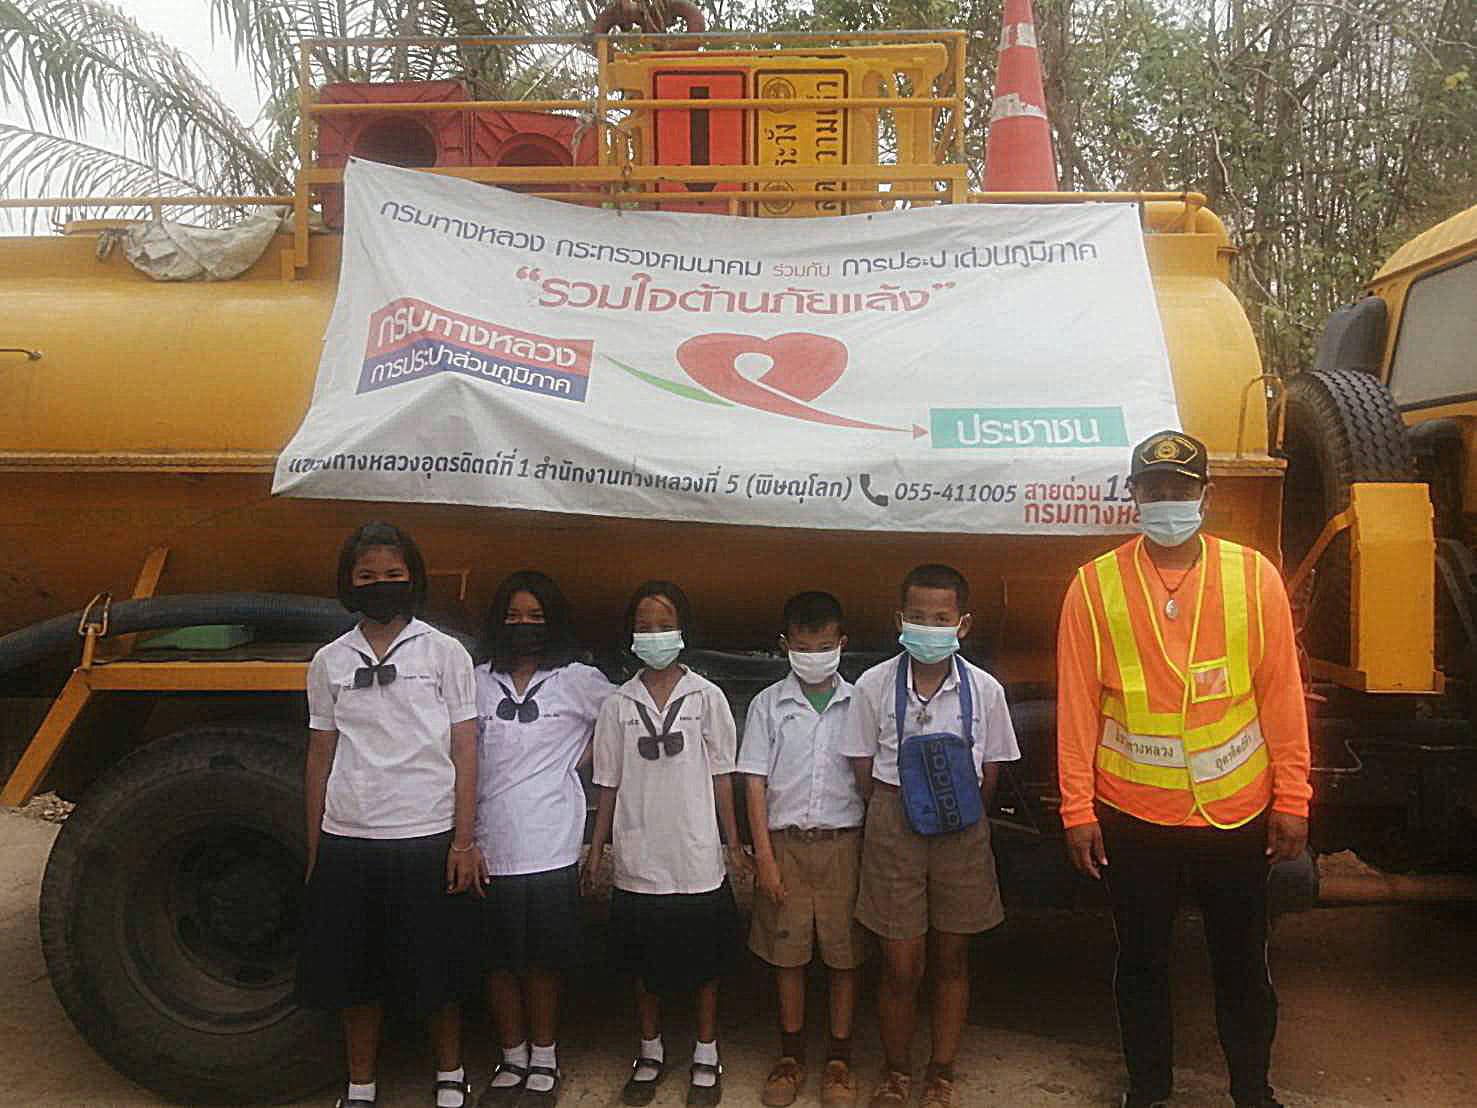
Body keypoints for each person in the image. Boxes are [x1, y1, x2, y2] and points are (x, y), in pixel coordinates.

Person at [1055, 430, 1312, 1108]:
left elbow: (1281, 695)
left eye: (1180, 489)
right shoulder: (1093, 586)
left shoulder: (1253, 577)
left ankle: (1252, 1090)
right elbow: (1077, 707)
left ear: (1206, 495)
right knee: (1141, 962)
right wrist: (1077, 809)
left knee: (1242, 962)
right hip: (1134, 813)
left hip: (1236, 809)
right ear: (1133, 495)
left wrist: (1293, 797)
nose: (1166, 500)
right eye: (1153, 489)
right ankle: (1147, 1090)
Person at [299, 522, 483, 1108]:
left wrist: (463, 840)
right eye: (367, 576)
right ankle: (360, 1084)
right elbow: (320, 753)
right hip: (349, 835)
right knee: (356, 972)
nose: (381, 584)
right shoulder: (329, 660)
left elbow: (466, 747)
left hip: (425, 833)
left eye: (393, 574)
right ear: (349, 584)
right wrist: (316, 847)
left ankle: (450, 1073)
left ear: (413, 579)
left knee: (436, 967)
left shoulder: (444, 652)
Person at [839, 564, 1020, 1108]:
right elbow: (862, 766)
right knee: (900, 964)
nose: (929, 628)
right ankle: (896, 1071)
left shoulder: (985, 690)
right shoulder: (873, 685)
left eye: (941, 619)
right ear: (899, 620)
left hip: (962, 827)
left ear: (963, 625)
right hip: (894, 822)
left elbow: (991, 769)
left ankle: (941, 1071)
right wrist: (893, 813)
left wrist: (961, 814)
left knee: (952, 959)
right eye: (918, 617)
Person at [582, 580, 749, 1107]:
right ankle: (650, 1050)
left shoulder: (706, 697)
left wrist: (733, 842)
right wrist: (597, 846)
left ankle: (706, 1050)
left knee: (705, 961)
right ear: (631, 635)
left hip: (695, 852)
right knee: (643, 962)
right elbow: (607, 781)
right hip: (640, 853)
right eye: (644, 626)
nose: (654, 635)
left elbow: (723, 775)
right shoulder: (618, 703)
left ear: (682, 630)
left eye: (664, 625)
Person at [472, 571, 615, 1107]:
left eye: (535, 617)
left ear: (553, 622)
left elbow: (625, 720)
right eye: (513, 616)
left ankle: (545, 1060)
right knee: (497, 962)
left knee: (541, 963)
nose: (524, 626)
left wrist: (581, 760)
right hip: (487, 844)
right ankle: (511, 1058)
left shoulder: (577, 680)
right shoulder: (477, 680)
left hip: (548, 844)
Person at [739, 591, 866, 1107]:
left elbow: (870, 779)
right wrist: (764, 858)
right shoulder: (768, 705)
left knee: (844, 954)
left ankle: (839, 1060)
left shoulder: (859, 703)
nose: (814, 655)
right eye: (803, 646)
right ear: (785, 645)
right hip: (786, 846)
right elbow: (754, 782)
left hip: (844, 843)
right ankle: (790, 1056)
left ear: (842, 643)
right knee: (786, 953)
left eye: (824, 645)